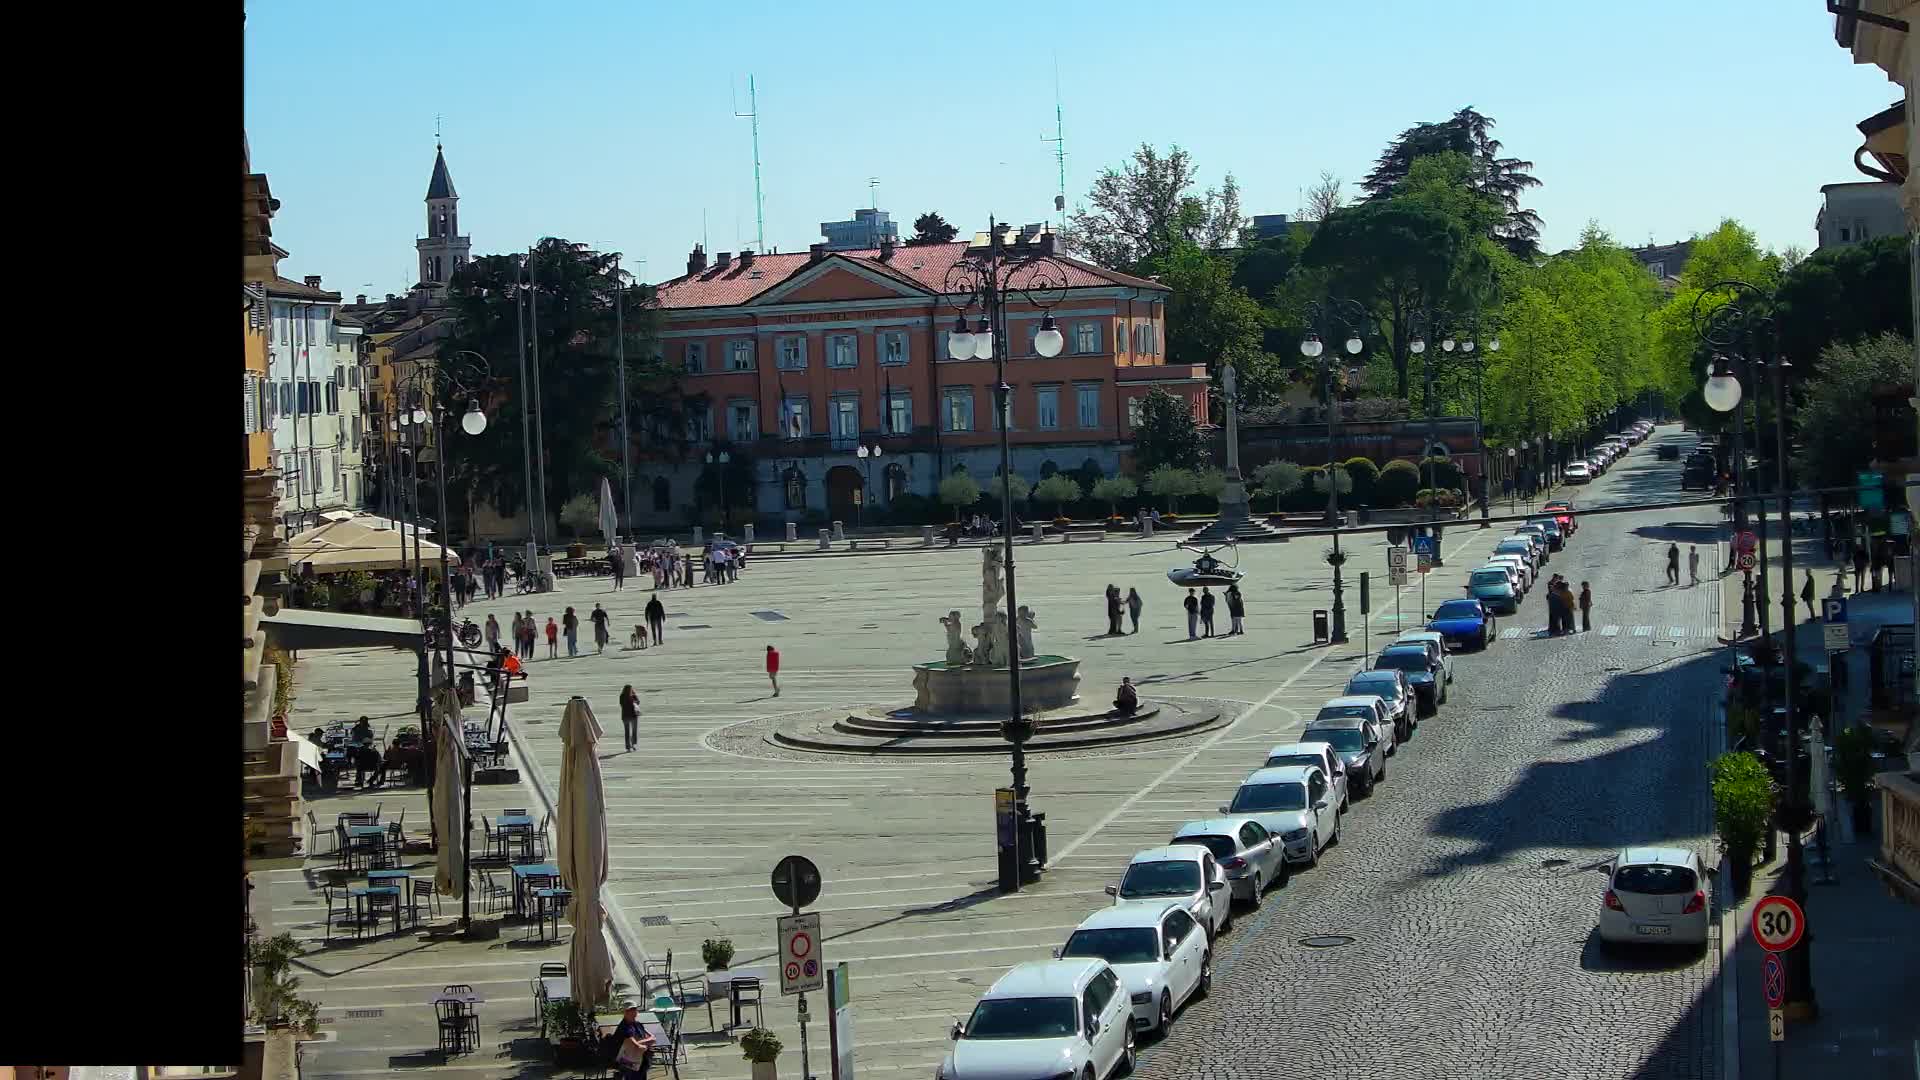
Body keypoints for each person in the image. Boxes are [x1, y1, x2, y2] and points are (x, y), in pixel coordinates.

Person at [610, 1001, 656, 1080]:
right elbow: (635, 1045)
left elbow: (653, 1038)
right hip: (629, 1062)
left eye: (634, 1009)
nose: (633, 1012)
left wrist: (642, 1043)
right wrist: (646, 1042)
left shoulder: (638, 1024)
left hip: (641, 1060)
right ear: (624, 1012)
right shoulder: (624, 1027)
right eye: (630, 1010)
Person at [618, 684, 640, 753]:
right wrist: (634, 696)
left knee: (627, 732)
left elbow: (621, 704)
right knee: (634, 731)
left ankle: (628, 747)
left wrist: (634, 696)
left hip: (625, 716)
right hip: (633, 716)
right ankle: (633, 745)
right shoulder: (632, 696)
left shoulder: (622, 696)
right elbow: (638, 702)